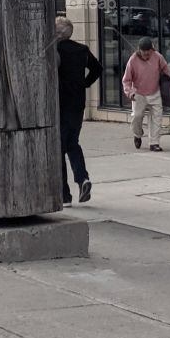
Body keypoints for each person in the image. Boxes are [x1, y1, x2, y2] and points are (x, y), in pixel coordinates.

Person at [55, 16, 100, 204]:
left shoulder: (55, 50)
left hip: (60, 104)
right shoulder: (82, 50)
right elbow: (97, 69)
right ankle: (83, 179)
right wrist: (84, 84)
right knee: (72, 142)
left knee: (59, 148)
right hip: (77, 104)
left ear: (58, 34)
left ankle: (64, 195)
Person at [123, 36, 170, 152]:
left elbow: (166, 70)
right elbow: (126, 80)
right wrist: (130, 92)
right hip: (138, 93)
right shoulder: (133, 60)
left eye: (148, 53)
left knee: (157, 118)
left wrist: (167, 84)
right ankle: (137, 134)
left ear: (152, 50)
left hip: (155, 92)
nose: (146, 55)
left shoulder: (158, 57)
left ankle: (154, 143)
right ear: (139, 50)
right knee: (137, 116)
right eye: (144, 53)